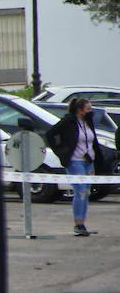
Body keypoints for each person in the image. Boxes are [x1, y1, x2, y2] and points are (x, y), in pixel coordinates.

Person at [44, 97, 102, 236]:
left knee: (87, 192)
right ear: (80, 110)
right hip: (76, 161)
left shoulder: (88, 122)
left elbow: (93, 140)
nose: (90, 111)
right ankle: (78, 224)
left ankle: (83, 222)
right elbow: (50, 134)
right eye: (88, 109)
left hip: (89, 161)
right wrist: (61, 152)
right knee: (80, 191)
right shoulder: (68, 122)